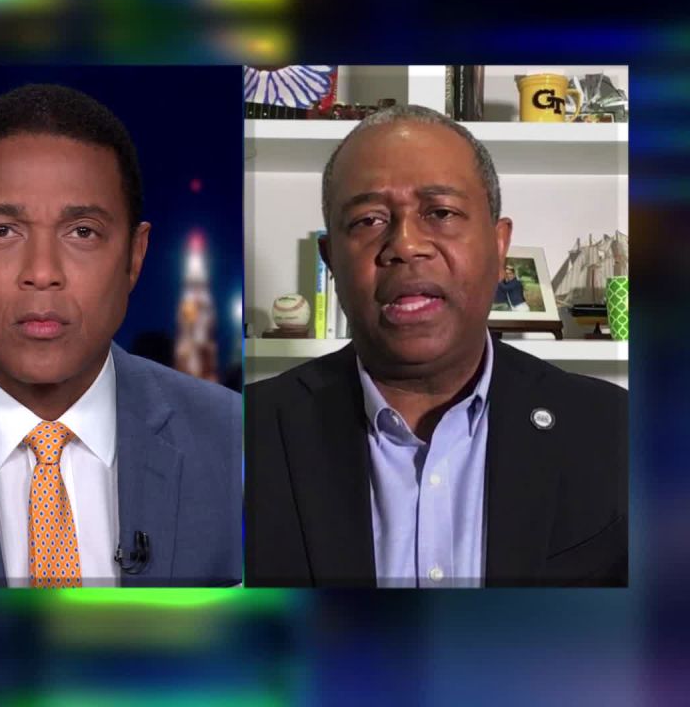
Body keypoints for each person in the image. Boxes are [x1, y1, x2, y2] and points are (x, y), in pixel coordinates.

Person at [0, 84, 242, 587]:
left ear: (135, 255)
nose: (42, 272)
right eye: (2, 231)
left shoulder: (235, 439)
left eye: (82, 231)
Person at [245, 105, 627, 588]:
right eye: (367, 220)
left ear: (499, 242)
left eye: (441, 213)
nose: (405, 245)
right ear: (331, 259)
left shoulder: (615, 430)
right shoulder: (242, 437)